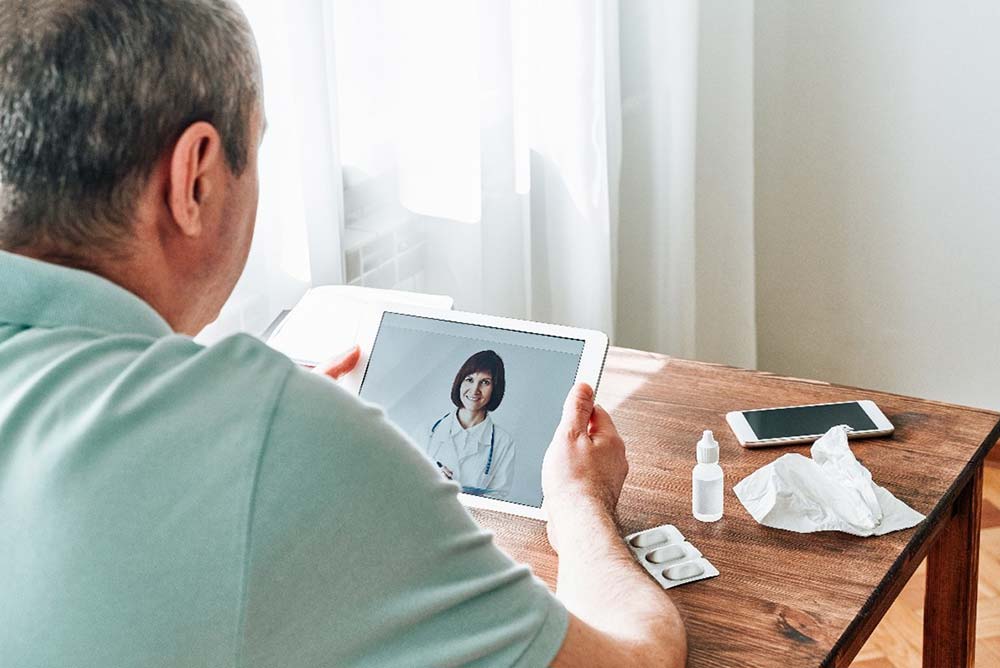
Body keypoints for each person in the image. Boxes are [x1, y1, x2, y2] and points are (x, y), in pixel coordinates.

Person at [0, 1, 686, 667]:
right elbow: (636, 661)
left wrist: (249, 431)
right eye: (259, 145)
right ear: (197, 179)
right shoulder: (276, 438)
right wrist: (577, 501)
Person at [425, 350, 516, 498]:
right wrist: (427, 478)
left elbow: (498, 500)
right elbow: (403, 479)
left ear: (495, 389)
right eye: (469, 379)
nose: (475, 390)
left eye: (485, 382)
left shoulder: (503, 442)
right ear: (460, 382)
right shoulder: (427, 430)